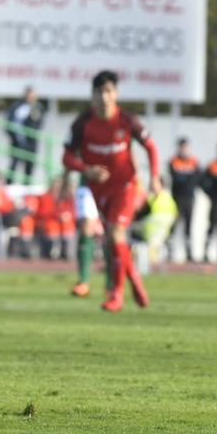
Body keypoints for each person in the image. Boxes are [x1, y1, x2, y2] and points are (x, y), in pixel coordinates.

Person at [62, 70, 161, 312]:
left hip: (125, 186)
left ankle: (116, 295)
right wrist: (86, 170)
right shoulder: (82, 123)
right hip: (98, 189)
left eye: (108, 91)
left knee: (116, 232)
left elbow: (151, 147)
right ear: (93, 95)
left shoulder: (127, 120)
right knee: (112, 238)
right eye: (99, 92)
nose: (104, 97)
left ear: (115, 94)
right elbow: (66, 157)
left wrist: (155, 178)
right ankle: (134, 278)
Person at [168, 137, 200, 262]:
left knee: (188, 225)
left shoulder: (194, 161)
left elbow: (197, 178)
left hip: (189, 198)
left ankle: (189, 253)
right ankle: (169, 251)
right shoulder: (173, 161)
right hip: (176, 198)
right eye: (182, 147)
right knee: (173, 225)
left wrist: (187, 181)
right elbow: (175, 178)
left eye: (186, 147)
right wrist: (186, 180)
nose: (184, 150)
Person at [5, 86, 44, 184]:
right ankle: (9, 183)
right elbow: (10, 121)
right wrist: (14, 135)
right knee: (14, 163)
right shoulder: (17, 106)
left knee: (29, 165)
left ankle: (27, 185)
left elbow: (38, 124)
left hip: (31, 142)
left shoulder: (38, 107)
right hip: (17, 141)